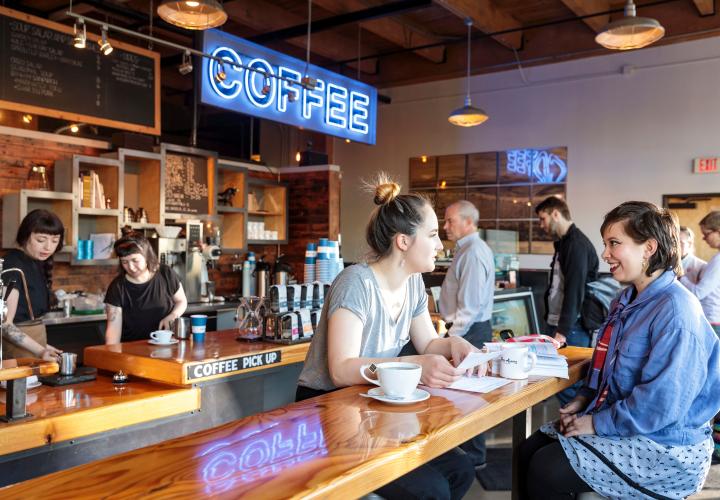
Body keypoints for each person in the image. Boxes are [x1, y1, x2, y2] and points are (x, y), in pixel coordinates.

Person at [518, 201, 720, 500]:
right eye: (605, 244)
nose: (605, 254)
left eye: (615, 243)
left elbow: (660, 406)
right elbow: (610, 368)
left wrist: (595, 423)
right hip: (633, 426)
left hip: (666, 447)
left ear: (648, 247)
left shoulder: (677, 311)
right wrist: (584, 399)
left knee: (546, 468)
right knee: (527, 450)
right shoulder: (624, 300)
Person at [297, 175, 478, 500]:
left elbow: (428, 344)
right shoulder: (356, 283)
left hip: (372, 406)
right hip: (326, 409)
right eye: (433, 235)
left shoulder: (411, 284)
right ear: (404, 241)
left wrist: (452, 343)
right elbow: (340, 369)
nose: (441, 245)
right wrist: (412, 365)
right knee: (431, 490)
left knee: (461, 469)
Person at [438, 200, 494, 470]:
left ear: (468, 222)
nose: (445, 226)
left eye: (450, 220)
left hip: (468, 331)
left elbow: (469, 306)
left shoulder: (472, 252)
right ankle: (469, 456)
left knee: (469, 397)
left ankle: (473, 460)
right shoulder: (468, 249)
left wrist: (450, 339)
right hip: (466, 330)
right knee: (465, 395)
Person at [535, 196, 598, 404]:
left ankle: (572, 430)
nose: (541, 225)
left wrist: (561, 331)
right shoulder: (564, 243)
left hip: (572, 327)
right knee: (560, 383)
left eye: (543, 219)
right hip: (563, 325)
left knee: (568, 385)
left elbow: (575, 291)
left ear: (556, 214)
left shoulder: (576, 244)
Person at [2, 209, 64, 362]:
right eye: (41, 240)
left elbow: (30, 325)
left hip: (33, 351)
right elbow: (4, 324)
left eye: (54, 241)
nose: (48, 247)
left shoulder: (36, 262)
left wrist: (45, 346)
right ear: (25, 237)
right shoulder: (13, 266)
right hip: (16, 357)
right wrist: (41, 350)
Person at [104, 232, 187, 344]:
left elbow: (181, 301)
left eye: (135, 260)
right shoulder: (118, 287)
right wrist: (111, 355)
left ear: (147, 255)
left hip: (167, 345)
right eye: (125, 262)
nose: (131, 267)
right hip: (132, 351)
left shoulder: (165, 273)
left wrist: (172, 316)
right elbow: (113, 330)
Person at [680, 213, 720, 337]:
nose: (704, 238)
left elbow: (698, 293)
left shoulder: (717, 261)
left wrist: (680, 277)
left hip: (712, 320)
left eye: (706, 234)